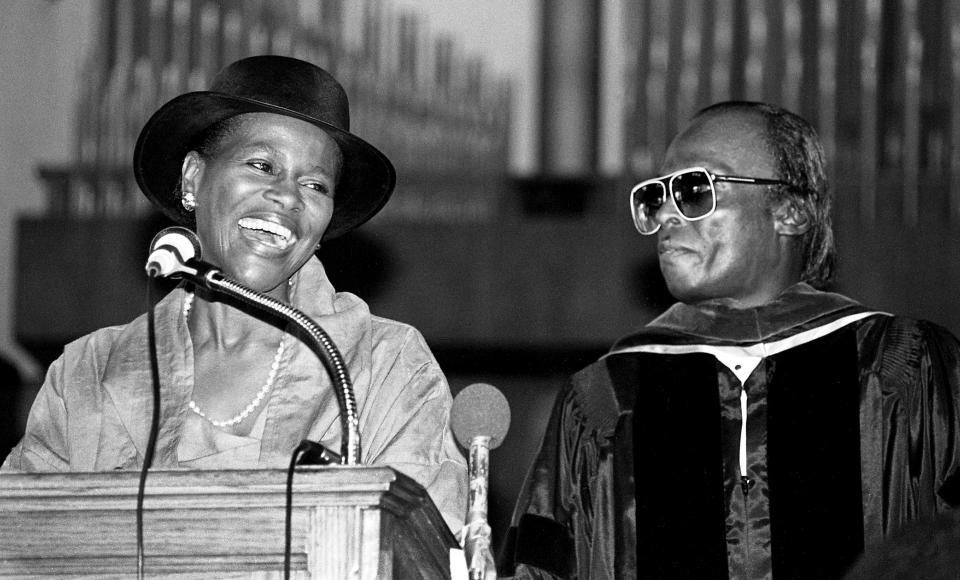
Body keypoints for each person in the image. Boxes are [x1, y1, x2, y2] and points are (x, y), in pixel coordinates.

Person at [1, 55, 467, 533]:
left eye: (315, 184)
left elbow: (427, 551)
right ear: (192, 179)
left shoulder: (385, 368)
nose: (288, 197)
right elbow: (20, 543)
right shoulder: (88, 373)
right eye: (262, 165)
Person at [499, 101, 960, 578]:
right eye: (657, 197)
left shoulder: (905, 368)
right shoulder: (604, 398)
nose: (668, 217)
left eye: (695, 189)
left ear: (790, 211)